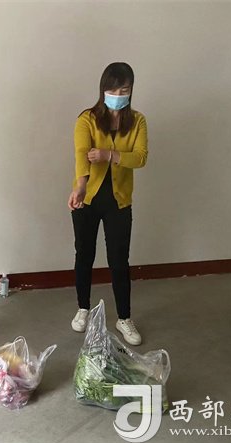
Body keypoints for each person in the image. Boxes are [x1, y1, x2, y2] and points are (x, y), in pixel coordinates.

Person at [68, 62, 148, 345]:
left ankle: (124, 317)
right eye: (113, 89)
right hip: (88, 198)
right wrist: (80, 187)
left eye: (124, 90)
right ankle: (83, 308)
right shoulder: (87, 119)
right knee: (84, 254)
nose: (118, 94)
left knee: (119, 259)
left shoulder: (137, 121)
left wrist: (109, 155)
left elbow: (140, 157)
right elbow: (81, 153)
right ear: (103, 89)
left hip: (119, 201)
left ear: (131, 91)